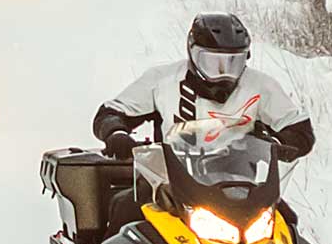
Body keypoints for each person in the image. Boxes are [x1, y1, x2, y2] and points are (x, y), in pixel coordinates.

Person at [94, 12, 316, 163]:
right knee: (123, 210)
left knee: (287, 225)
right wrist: (116, 133)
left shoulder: (260, 86)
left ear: (246, 58)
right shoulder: (162, 80)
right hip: (165, 186)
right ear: (193, 53)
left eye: (234, 61)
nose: (223, 71)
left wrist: (274, 145)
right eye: (212, 61)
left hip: (241, 189)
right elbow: (110, 113)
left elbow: (300, 130)